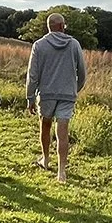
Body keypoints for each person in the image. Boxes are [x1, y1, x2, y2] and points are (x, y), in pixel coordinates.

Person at [25, 12, 88, 183]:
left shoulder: (39, 45)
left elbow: (33, 75)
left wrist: (30, 97)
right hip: (67, 94)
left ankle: (45, 159)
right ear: (61, 26)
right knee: (63, 132)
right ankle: (61, 172)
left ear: (49, 27)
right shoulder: (74, 44)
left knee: (45, 126)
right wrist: (75, 89)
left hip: (46, 94)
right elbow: (82, 72)